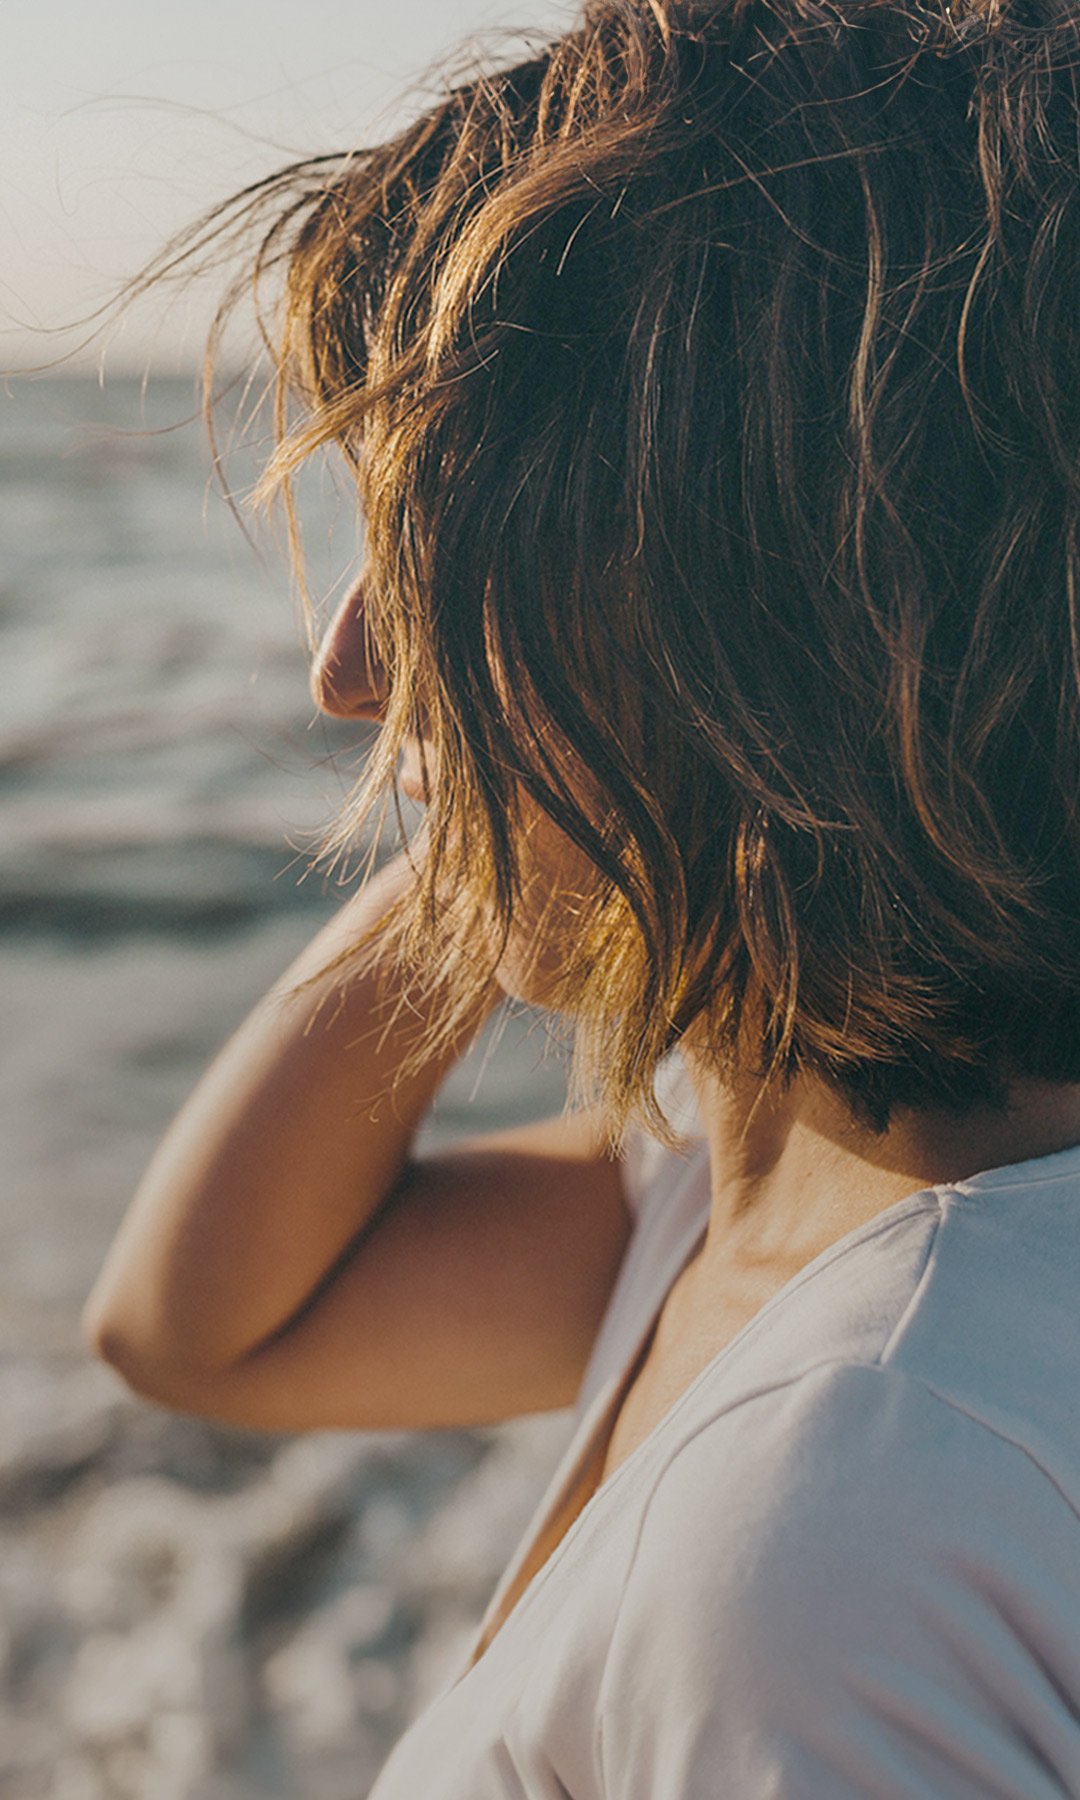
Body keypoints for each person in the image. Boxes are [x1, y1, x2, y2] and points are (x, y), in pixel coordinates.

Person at [84, 0, 1080, 1791]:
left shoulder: (865, 1500)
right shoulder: (771, 1201)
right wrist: (509, 787)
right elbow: (206, 1327)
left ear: (752, 607)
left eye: (446, 557)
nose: (345, 668)